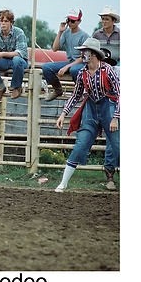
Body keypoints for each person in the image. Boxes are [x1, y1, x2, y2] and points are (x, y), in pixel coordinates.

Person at [54, 37, 120, 192]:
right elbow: (76, 95)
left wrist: (116, 117)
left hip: (108, 107)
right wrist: (64, 114)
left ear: (94, 54)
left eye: (85, 51)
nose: (83, 54)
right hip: (91, 108)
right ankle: (63, 183)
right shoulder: (83, 72)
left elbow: (119, 93)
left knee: (118, 147)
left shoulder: (107, 70)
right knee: (81, 145)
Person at [43, 8, 89, 101]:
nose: (70, 23)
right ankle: (57, 89)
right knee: (46, 67)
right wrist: (60, 32)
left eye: (73, 21)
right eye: (68, 20)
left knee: (74, 70)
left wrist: (66, 67)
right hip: (70, 62)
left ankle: (79, 92)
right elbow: (55, 48)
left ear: (79, 21)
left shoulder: (84, 36)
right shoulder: (66, 33)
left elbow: (83, 58)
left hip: (80, 63)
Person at [0, 9, 29, 101]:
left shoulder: (19, 32)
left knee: (16, 59)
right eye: (1, 21)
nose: (3, 23)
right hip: (5, 61)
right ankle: (0, 87)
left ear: (11, 22)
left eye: (6, 21)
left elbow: (20, 52)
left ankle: (16, 87)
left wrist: (2, 54)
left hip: (20, 61)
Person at [92, 5, 120, 73]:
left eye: (107, 19)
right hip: (101, 63)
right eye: (103, 19)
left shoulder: (120, 34)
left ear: (113, 21)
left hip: (118, 63)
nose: (104, 21)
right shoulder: (97, 34)